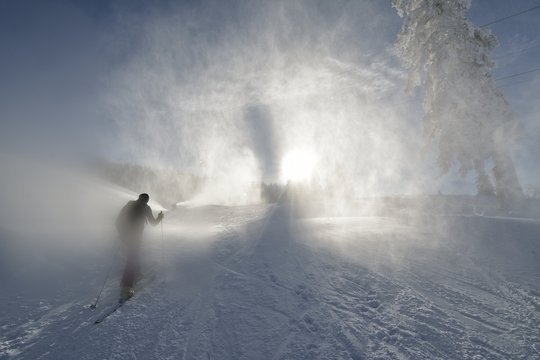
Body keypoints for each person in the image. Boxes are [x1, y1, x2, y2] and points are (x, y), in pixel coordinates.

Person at [115, 193, 164, 301]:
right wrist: (160, 217)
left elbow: (118, 221)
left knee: (134, 255)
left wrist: (122, 234)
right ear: (146, 200)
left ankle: (137, 272)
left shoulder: (129, 205)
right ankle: (126, 288)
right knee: (131, 260)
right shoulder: (146, 208)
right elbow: (153, 223)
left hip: (126, 236)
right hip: (135, 237)